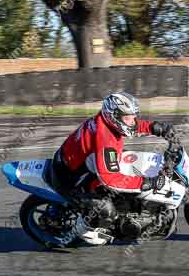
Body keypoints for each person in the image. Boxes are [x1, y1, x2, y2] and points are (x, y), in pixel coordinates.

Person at [51, 92, 176, 243]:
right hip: (71, 178)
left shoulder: (109, 122)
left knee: (134, 164)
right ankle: (76, 233)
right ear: (113, 116)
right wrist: (145, 182)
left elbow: (131, 125)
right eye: (128, 118)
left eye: (133, 117)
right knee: (106, 211)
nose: (132, 121)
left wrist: (156, 128)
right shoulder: (105, 139)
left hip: (86, 162)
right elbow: (110, 179)